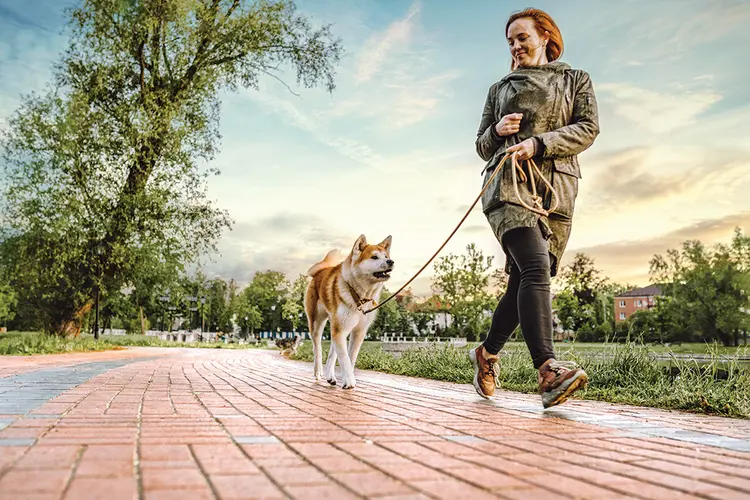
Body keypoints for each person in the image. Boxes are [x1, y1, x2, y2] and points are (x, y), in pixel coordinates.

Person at [469, 8, 600, 408]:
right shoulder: (499, 89)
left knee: (524, 279)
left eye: (522, 37)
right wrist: (497, 132)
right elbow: (480, 145)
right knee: (535, 268)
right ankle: (548, 371)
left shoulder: (575, 80)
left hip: (557, 190)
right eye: (510, 40)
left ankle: (486, 354)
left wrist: (539, 143)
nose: (515, 45)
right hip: (508, 185)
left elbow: (587, 128)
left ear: (545, 36)